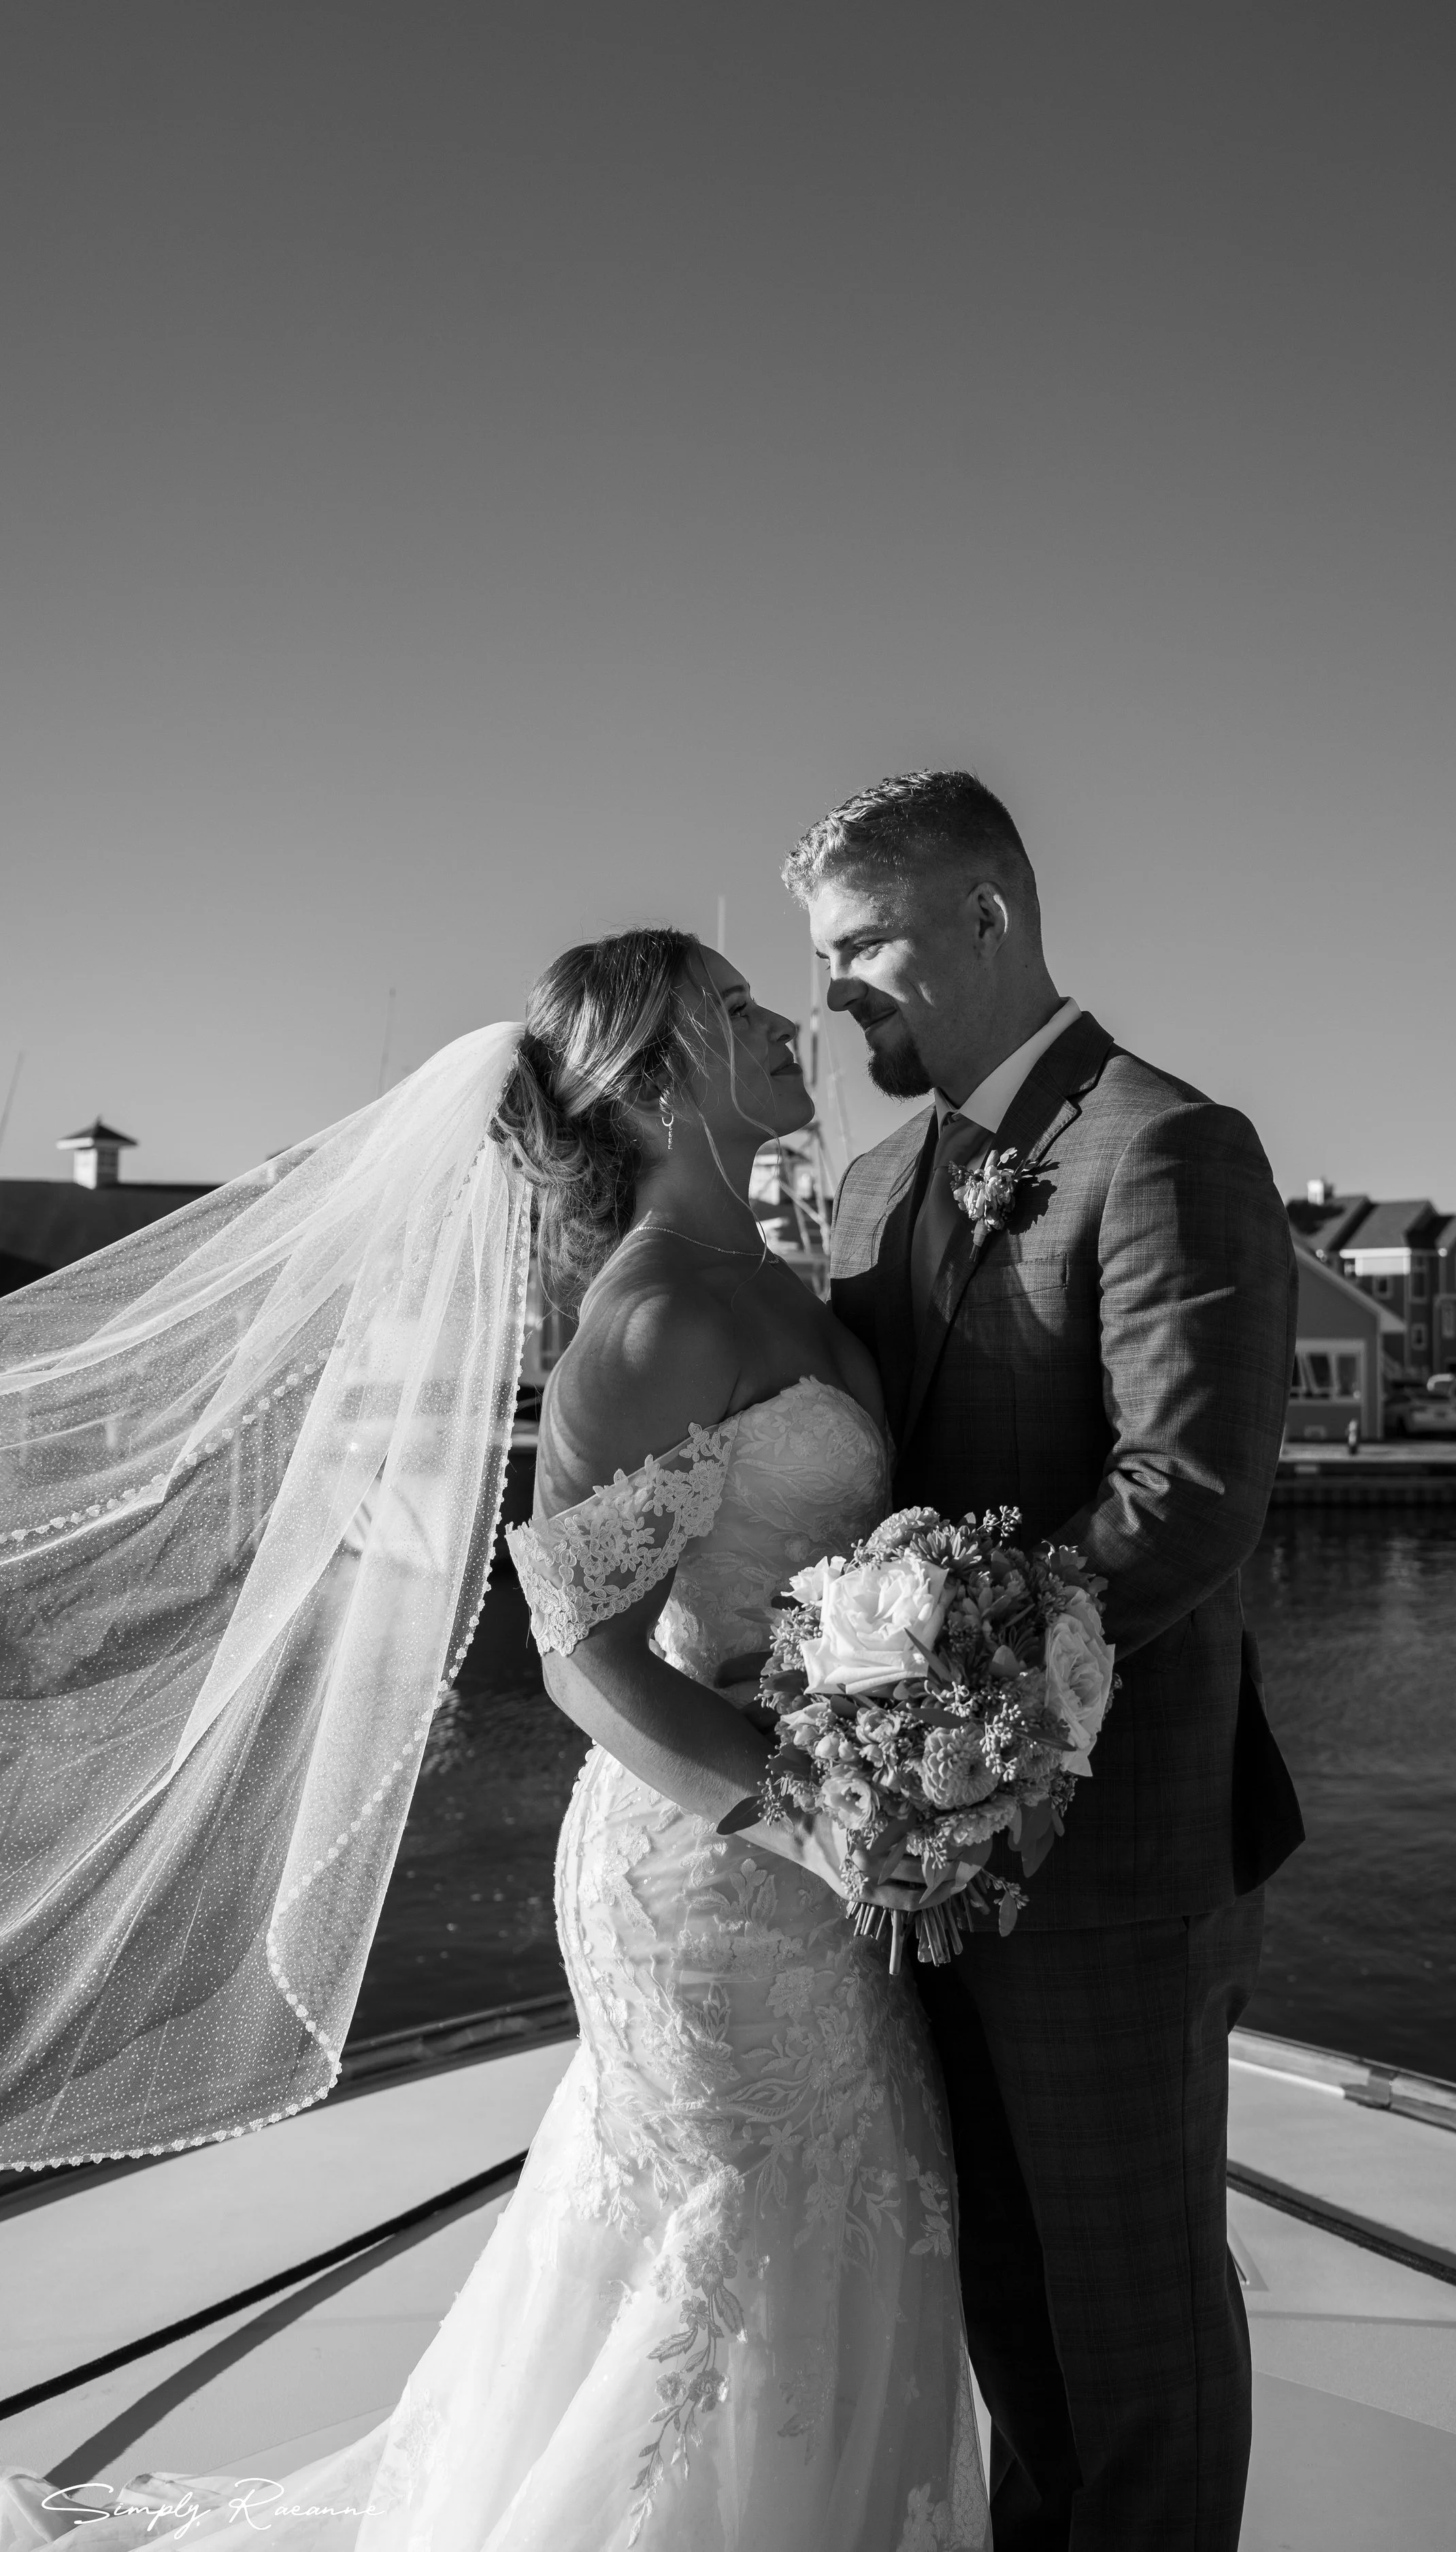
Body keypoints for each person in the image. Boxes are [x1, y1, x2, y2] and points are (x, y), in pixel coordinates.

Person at [1, 929, 988, 2552]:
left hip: (825, 1863)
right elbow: (581, 1658)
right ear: (667, 1074)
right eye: (737, 1009)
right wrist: (816, 1820)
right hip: (715, 1870)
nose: (780, 1026)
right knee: (742, 2272)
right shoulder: (652, 1315)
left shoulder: (778, 1286)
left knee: (840, 2236)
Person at [794, 771, 1304, 2552]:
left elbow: (1185, 1495)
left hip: (1116, 1855)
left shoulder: (1165, 1144)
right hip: (910, 1862)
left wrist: (946, 1683)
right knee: (1006, 2306)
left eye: (863, 938)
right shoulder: (867, 1189)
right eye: (820, 953)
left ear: (990, 914)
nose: (836, 986)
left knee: (1134, 2326)